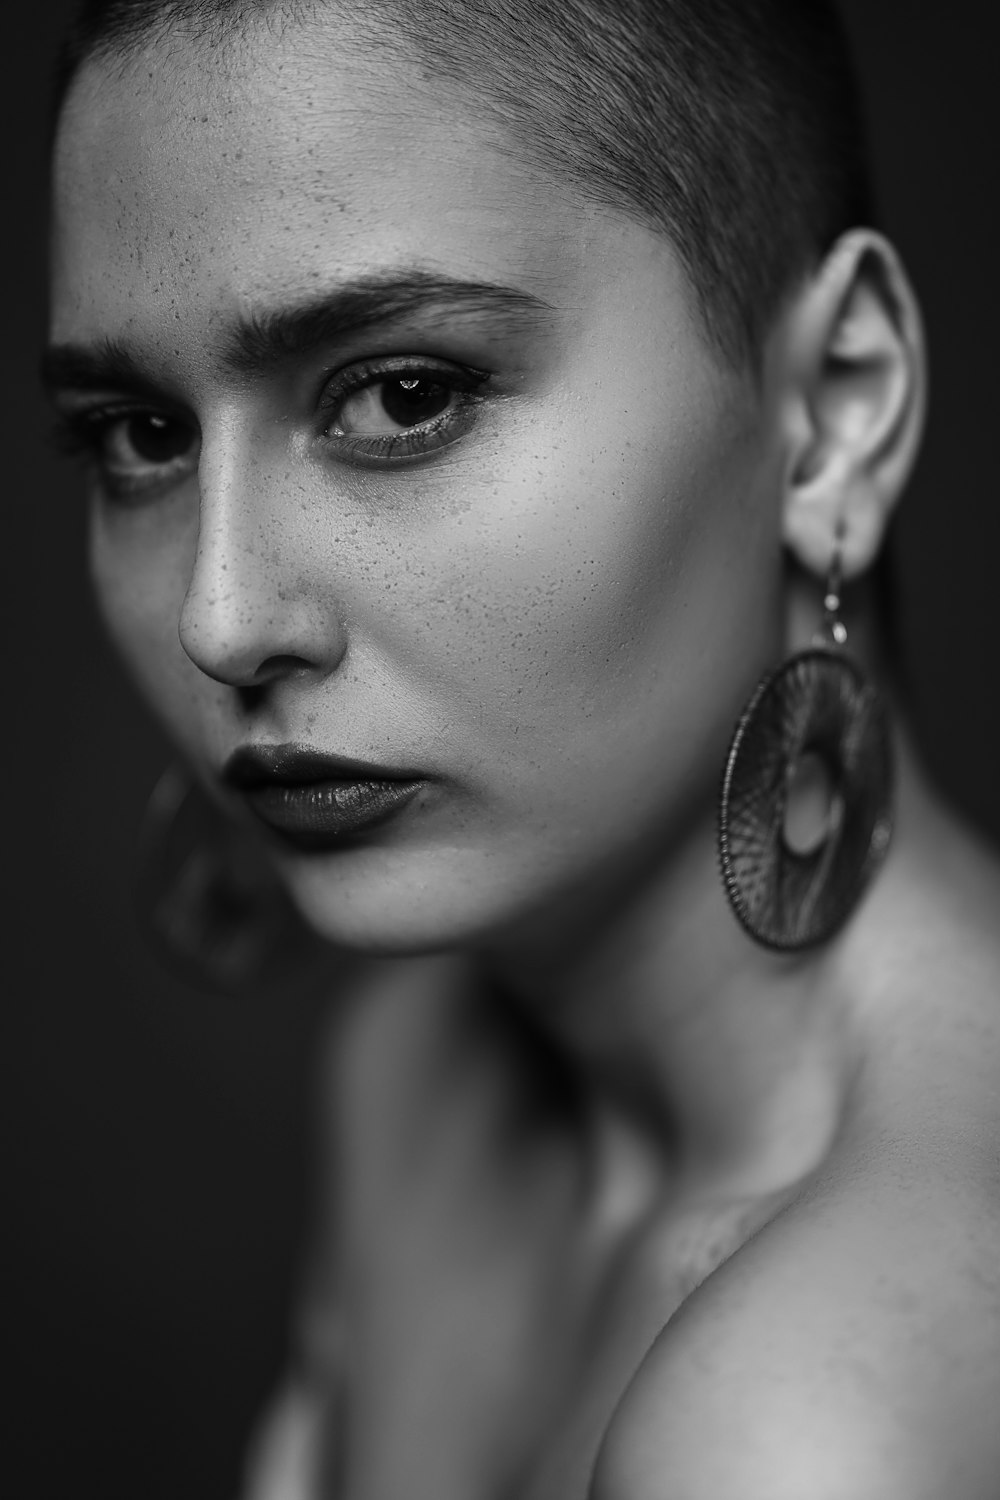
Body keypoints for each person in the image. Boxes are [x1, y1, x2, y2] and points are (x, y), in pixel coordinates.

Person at [43, 0, 1000, 1495]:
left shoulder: (815, 1419)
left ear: (830, 416)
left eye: (402, 395)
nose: (221, 619)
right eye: (141, 434)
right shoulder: (412, 1068)